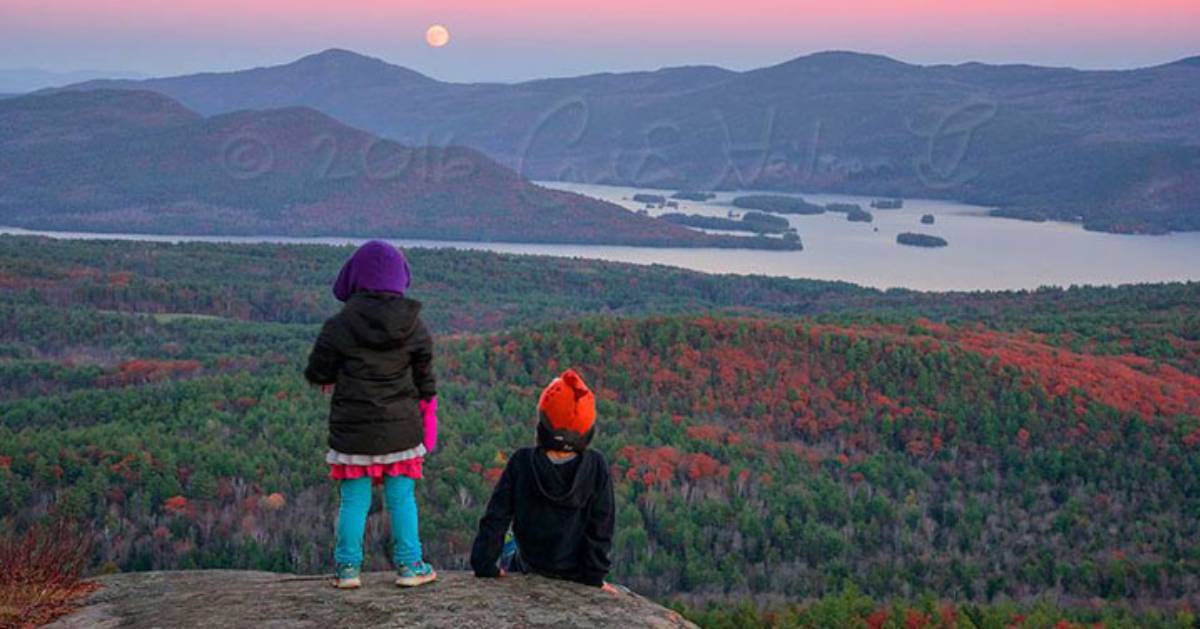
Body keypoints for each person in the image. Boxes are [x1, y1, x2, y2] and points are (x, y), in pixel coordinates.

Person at [304, 240, 439, 589]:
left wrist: (330, 377)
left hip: (354, 433)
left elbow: (318, 370)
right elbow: (426, 381)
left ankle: (347, 570)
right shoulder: (414, 326)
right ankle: (410, 566)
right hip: (401, 431)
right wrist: (426, 409)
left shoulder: (340, 325)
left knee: (354, 501)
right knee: (401, 498)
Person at [470, 369, 616, 591]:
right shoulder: (595, 467)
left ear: (543, 425)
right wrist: (594, 578)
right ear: (587, 431)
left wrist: (484, 564)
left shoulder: (521, 462)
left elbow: (496, 518)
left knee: (510, 548)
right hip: (576, 572)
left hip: (529, 565)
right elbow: (601, 529)